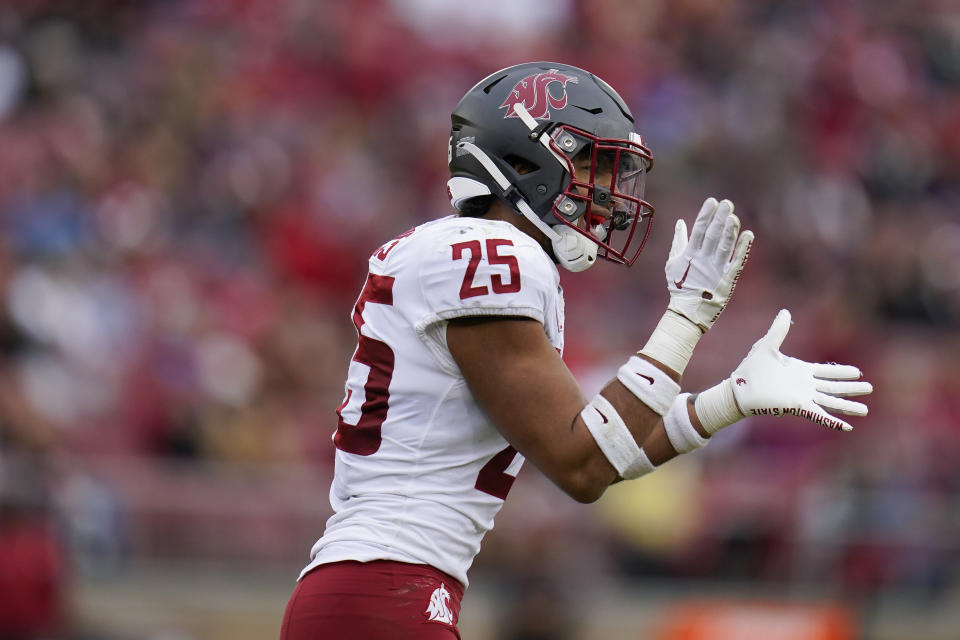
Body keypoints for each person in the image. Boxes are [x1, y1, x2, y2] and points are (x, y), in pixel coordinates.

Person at [278, 61, 873, 640]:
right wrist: (687, 316)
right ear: (522, 158)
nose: (611, 195)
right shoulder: (492, 251)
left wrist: (725, 402)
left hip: (381, 591)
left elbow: (604, 452)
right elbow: (582, 465)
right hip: (383, 591)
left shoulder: (477, 255)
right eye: (594, 164)